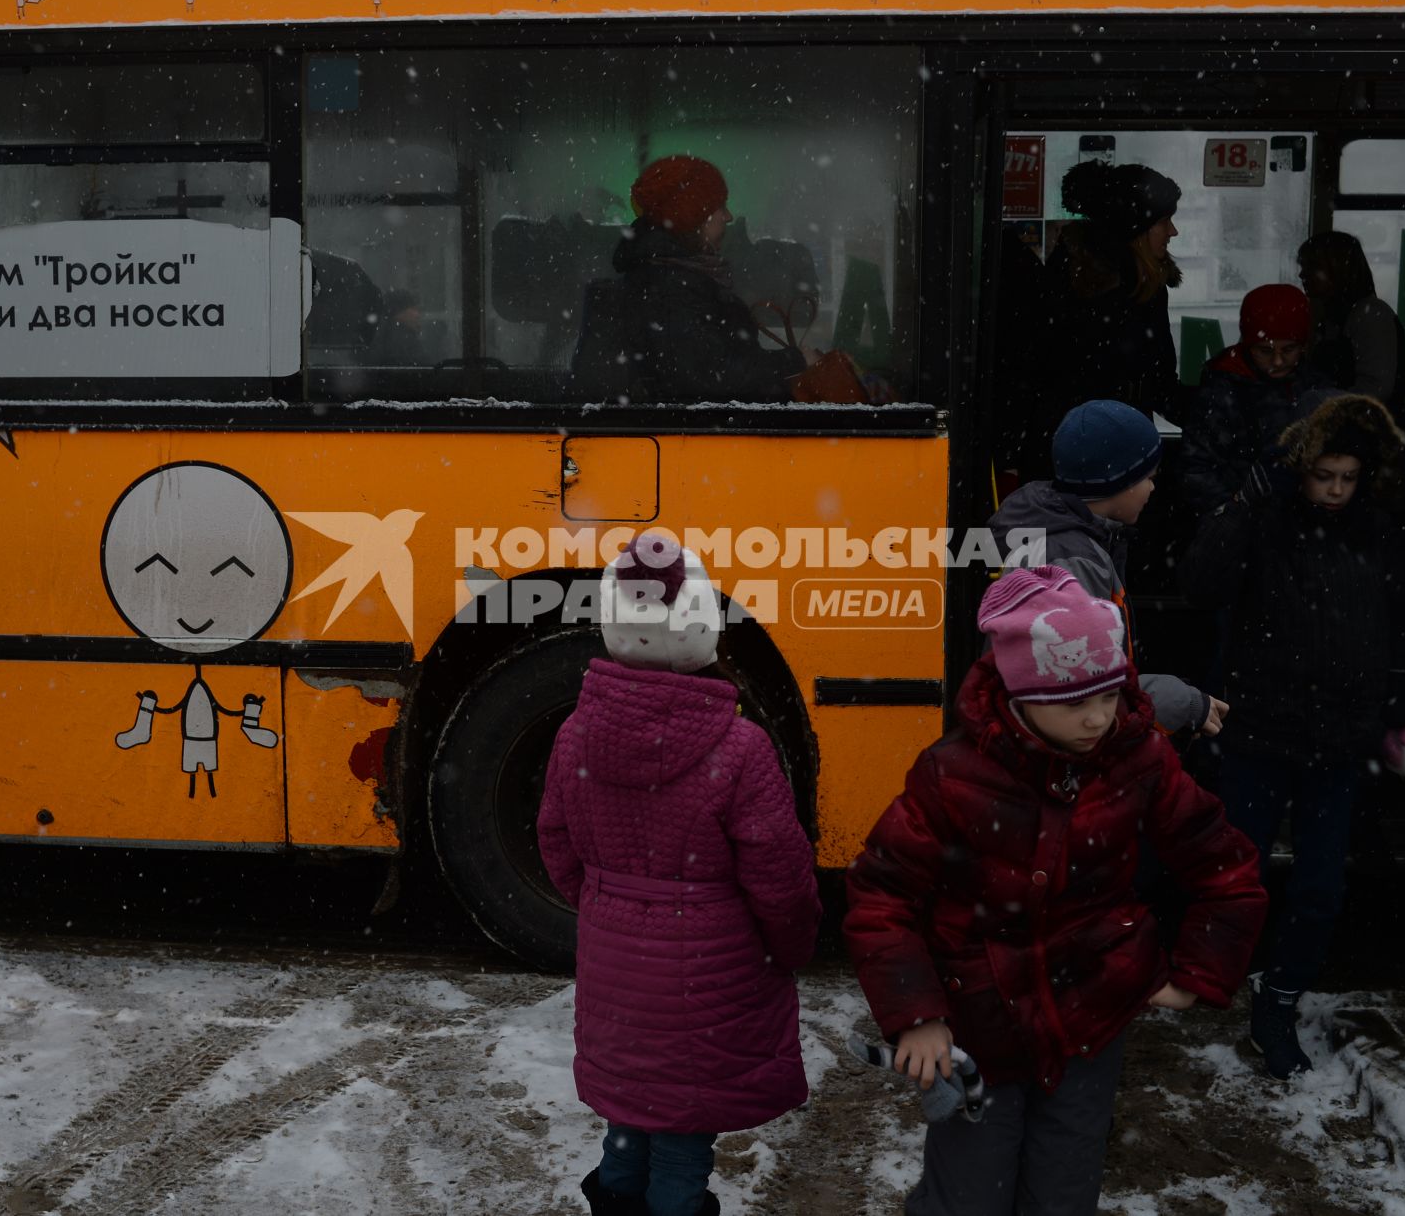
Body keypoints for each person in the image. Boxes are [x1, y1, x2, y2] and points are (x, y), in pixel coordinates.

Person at [844, 566, 1266, 1216]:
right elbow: (882, 895)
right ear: (1019, 692)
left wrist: (1198, 969)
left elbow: (1223, 864)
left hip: (1090, 1021)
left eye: (1110, 695)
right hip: (979, 1026)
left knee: (1063, 1192)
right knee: (968, 1197)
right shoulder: (952, 774)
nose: (1099, 717)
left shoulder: (1141, 759)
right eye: (1074, 702)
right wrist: (917, 1015)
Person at [538, 530, 820, 1216]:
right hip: (710, 964)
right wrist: (790, 946)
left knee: (630, 1114)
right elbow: (778, 874)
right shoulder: (741, 747)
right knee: (685, 1129)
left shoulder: (575, 732)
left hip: (614, 958)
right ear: (702, 624)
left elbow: (555, 838)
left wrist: (607, 903)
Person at [1181, 394, 1405, 1078]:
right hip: (1261, 729)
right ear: (1300, 469)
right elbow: (1203, 582)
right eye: (1323, 475)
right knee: (1236, 871)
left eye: (1347, 477)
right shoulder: (1267, 519)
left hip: (1338, 736)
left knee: (1320, 886)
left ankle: (1278, 1000)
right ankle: (1209, 982)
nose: (1334, 490)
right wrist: (1244, 503)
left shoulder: (1379, 527)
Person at [990, 399, 1223, 738]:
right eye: (1149, 478)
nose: (1153, 489)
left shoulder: (1069, 541)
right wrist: (1179, 701)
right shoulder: (1072, 561)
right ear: (1121, 483)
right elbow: (1075, 691)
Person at [573, 154, 813, 403]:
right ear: (695, 217)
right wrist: (796, 361)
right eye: (720, 206)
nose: (728, 216)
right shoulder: (669, 286)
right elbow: (712, 377)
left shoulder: (670, 275)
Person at [1014, 160, 1184, 479]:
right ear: (1135, 226)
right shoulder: (1076, 289)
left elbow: (1157, 384)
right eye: (1164, 221)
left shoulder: (1142, 285)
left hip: (1102, 450)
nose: (1173, 231)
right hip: (1082, 457)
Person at [1180, 282, 1336, 515]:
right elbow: (1196, 469)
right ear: (1247, 344)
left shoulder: (1316, 385)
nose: (1278, 361)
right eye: (1265, 351)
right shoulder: (1222, 391)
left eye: (1289, 349)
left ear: (1304, 346)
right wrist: (1231, 511)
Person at [1298, 231, 1405, 415]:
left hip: (1368, 429)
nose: (1302, 274)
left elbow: (1376, 389)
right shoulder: (1332, 315)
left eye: (1312, 266)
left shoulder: (1370, 316)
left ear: (1338, 269)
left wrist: (1320, 406)